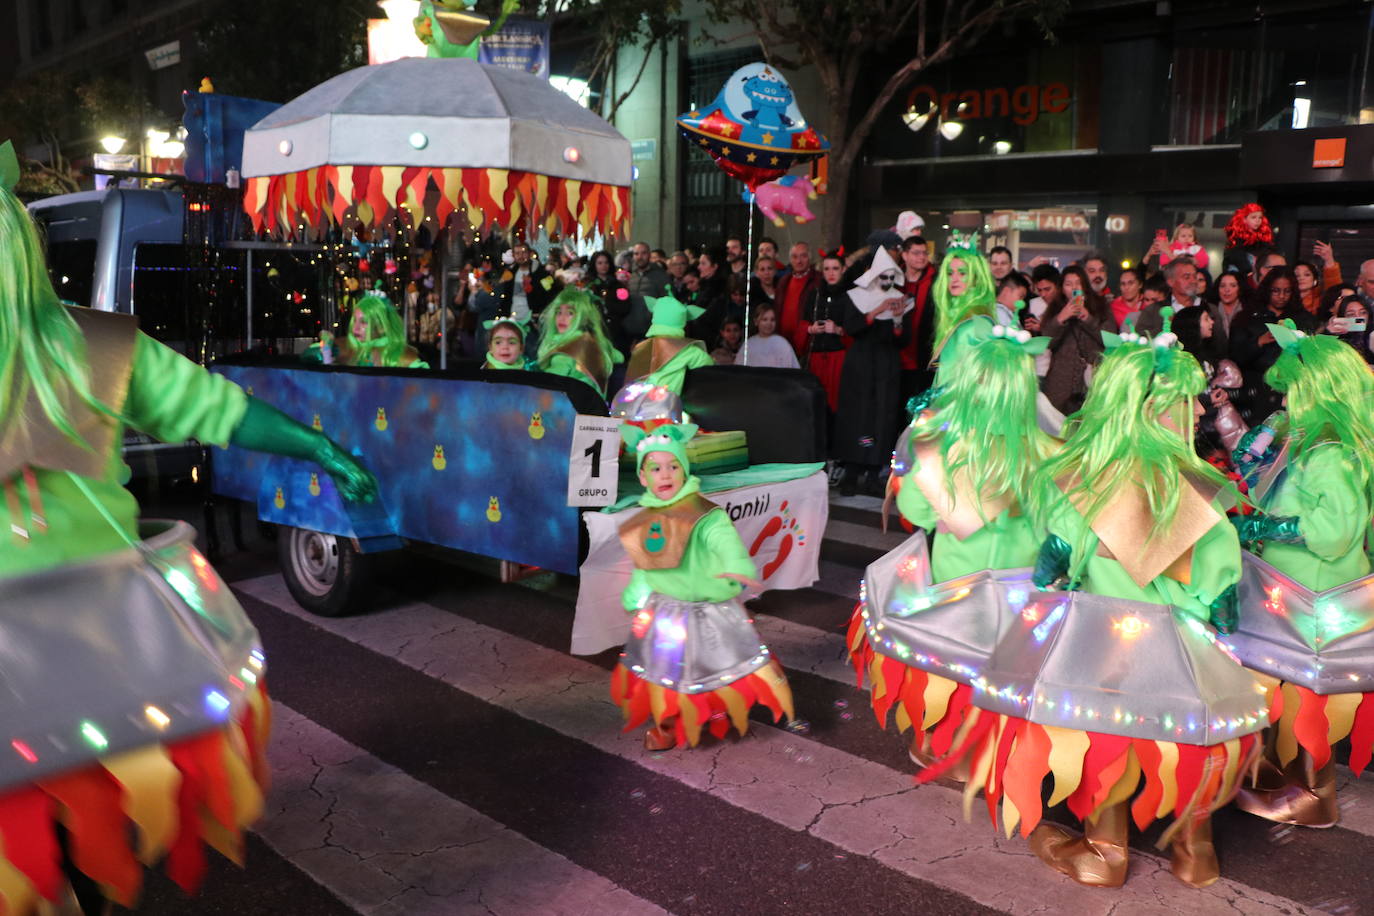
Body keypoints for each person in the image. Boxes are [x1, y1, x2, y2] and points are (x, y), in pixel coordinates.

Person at [0, 149, 379, 911]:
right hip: (97, 642)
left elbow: (216, 408)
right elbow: (216, 409)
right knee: (74, 831)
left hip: (65, 649)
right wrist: (320, 446)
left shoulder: (96, 347)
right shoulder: (94, 348)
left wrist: (320, 447)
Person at [1004, 324, 1261, 888]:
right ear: (1151, 408)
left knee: (1109, 741)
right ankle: (1196, 852)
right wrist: (1224, 631)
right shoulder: (1198, 486)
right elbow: (1222, 590)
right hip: (1185, 650)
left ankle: (1105, 850)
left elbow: (1054, 560)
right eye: (1183, 400)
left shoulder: (1090, 482)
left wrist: (1046, 594)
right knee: (1188, 739)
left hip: (1109, 650)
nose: (1196, 411)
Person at [1230, 327, 1374, 829]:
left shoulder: (1331, 453)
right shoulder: (1309, 443)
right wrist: (1266, 433)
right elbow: (1251, 469)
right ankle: (1289, 779)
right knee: (1289, 691)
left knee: (1311, 698)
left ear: (1319, 391)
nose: (1285, 399)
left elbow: (1331, 533)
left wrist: (1264, 526)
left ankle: (1317, 794)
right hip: (1289, 596)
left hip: (1317, 600)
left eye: (1293, 389)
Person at [610, 423, 795, 750]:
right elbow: (645, 565)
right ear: (643, 478)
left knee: (721, 664)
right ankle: (666, 723)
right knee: (663, 671)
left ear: (684, 471)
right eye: (655, 468)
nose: (665, 474)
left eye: (673, 466)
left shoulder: (705, 515)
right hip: (665, 610)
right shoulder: (647, 518)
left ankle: (721, 706)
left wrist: (735, 567)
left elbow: (726, 543)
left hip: (708, 609)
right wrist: (636, 596)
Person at [834, 233, 915, 496]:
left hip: (886, 366)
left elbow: (903, 341)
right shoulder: (855, 296)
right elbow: (850, 327)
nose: (889, 283)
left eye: (892, 277)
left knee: (882, 418)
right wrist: (876, 311)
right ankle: (853, 470)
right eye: (884, 277)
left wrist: (899, 319)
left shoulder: (899, 298)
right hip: (860, 365)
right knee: (859, 418)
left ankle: (873, 472)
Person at [1229, 267, 1315, 424]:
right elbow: (1235, 356)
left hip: (1292, 389)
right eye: (1276, 291)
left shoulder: (1303, 319)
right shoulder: (1247, 318)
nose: (1281, 296)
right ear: (1267, 290)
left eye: (1287, 291)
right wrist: (1259, 342)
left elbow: (1313, 355)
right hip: (1255, 391)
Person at [1040, 264, 1116, 415]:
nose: (1074, 288)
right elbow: (1046, 341)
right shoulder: (1055, 308)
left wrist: (1087, 318)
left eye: (1078, 283)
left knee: (1089, 419)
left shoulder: (1101, 306)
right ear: (1062, 288)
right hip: (1060, 380)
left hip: (1093, 376)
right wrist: (1062, 317)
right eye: (1068, 284)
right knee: (1058, 425)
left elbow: (1110, 338)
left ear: (1085, 286)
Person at [1173, 305, 1248, 455]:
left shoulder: (1208, 353)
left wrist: (1224, 394)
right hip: (1196, 429)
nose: (1212, 323)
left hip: (1216, 424)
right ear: (1193, 325)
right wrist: (1207, 400)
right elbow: (1179, 398)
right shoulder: (1180, 361)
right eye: (1206, 319)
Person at [621, 294, 715, 396]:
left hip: (636, 404)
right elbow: (710, 369)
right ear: (682, 323)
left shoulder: (641, 347)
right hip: (667, 407)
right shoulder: (688, 351)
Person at [535, 288, 622, 396]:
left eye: (570, 313)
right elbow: (618, 357)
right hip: (593, 408)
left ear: (583, 317)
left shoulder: (564, 353)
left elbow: (547, 388)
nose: (562, 318)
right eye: (559, 312)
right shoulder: (595, 343)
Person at [308, 294, 428, 368]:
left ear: (381, 326)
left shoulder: (401, 354)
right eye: (354, 321)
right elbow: (307, 356)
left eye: (364, 322)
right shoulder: (344, 346)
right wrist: (326, 347)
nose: (355, 328)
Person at [800, 252, 850, 414]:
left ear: (843, 269)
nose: (831, 273)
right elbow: (802, 323)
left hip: (838, 358)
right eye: (827, 269)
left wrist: (838, 330)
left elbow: (858, 330)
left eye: (835, 268)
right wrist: (810, 329)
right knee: (815, 405)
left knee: (836, 405)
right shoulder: (815, 294)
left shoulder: (850, 295)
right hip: (816, 358)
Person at [897, 235, 938, 408]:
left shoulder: (936, 282)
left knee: (921, 411)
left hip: (924, 358)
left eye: (924, 253)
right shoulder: (892, 280)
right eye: (916, 253)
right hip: (896, 359)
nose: (922, 257)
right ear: (904, 255)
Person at [495, 242, 554, 331]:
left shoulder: (541, 273)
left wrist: (540, 313)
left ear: (530, 254)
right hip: (513, 319)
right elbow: (504, 297)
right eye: (517, 253)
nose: (520, 256)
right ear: (513, 256)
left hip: (533, 322)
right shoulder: (510, 273)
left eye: (523, 252)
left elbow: (551, 293)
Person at [773, 242, 818, 353]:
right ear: (790, 259)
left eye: (803, 256)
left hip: (806, 342)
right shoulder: (783, 281)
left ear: (810, 258)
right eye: (794, 257)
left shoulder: (817, 280)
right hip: (782, 342)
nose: (799, 261)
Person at [621, 241, 670, 342]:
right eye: (636, 254)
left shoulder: (661, 276)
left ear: (649, 255)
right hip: (629, 330)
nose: (640, 257)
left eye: (643, 253)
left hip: (651, 331)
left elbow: (666, 303)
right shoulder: (629, 276)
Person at [734, 304, 799, 369]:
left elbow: (793, 371)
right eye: (764, 319)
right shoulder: (749, 344)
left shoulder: (782, 343)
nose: (769, 323)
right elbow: (739, 369)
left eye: (772, 320)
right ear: (756, 322)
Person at [1222, 203, 1274, 281]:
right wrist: (1249, 271)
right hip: (1239, 278)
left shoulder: (1263, 241)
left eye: (1260, 217)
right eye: (1253, 217)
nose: (1258, 220)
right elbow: (1237, 257)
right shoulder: (1236, 240)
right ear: (1244, 219)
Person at [1324, 294, 1374, 364]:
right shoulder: (1337, 340)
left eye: (1363, 313)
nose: (1358, 317)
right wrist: (1327, 334)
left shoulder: (1372, 336)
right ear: (1343, 317)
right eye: (1351, 314)